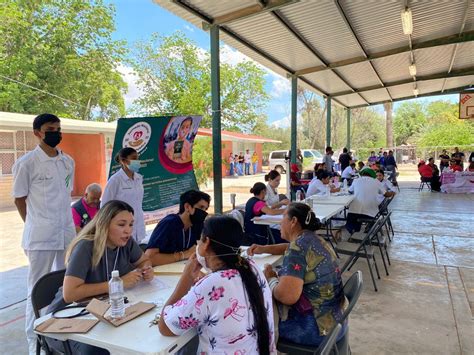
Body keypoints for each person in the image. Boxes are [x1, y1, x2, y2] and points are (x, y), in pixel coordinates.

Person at [47, 200, 153, 355]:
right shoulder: (86, 246)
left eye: (131, 225)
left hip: (103, 312)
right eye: (121, 224)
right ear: (105, 224)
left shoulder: (126, 243)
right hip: (68, 320)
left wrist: (146, 269)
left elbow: (145, 260)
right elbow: (69, 294)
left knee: (138, 332)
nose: (128, 231)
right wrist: (117, 284)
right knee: (100, 350)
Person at [158, 216, 276, 354]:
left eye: (200, 241)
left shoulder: (211, 284)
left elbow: (165, 327)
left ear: (206, 242)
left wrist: (186, 278)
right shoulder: (251, 266)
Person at [11, 113, 75, 354]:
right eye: (50, 128)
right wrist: (33, 223)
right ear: (37, 132)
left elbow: (66, 195)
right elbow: (19, 198)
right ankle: (33, 340)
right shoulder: (26, 163)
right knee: (36, 289)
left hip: (66, 232)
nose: (56, 132)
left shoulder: (68, 161)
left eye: (58, 128)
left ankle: (65, 332)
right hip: (40, 237)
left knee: (68, 283)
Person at [248, 203, 348, 347]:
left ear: (293, 221)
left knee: (253, 324)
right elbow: (288, 248)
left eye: (283, 217)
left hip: (314, 330)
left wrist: (271, 278)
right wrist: (263, 249)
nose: (280, 222)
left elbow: (286, 296)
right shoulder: (313, 239)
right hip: (336, 321)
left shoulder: (298, 248)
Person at [145, 190, 211, 266]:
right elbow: (149, 258)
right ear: (187, 207)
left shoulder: (197, 225)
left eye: (205, 209)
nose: (203, 213)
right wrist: (183, 255)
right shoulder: (169, 223)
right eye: (201, 207)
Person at [101, 147, 145, 243]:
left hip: (137, 225)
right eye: (134, 158)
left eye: (138, 158)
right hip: (121, 227)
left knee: (136, 254)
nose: (137, 161)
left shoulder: (139, 178)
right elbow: (105, 206)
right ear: (123, 161)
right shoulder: (115, 180)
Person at [345, 168, 394, 234]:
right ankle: (360, 231)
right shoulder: (376, 182)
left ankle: (354, 230)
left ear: (362, 174)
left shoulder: (356, 180)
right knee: (361, 213)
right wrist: (393, 193)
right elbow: (386, 194)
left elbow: (350, 191)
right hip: (370, 214)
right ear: (372, 175)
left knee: (351, 218)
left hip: (354, 213)